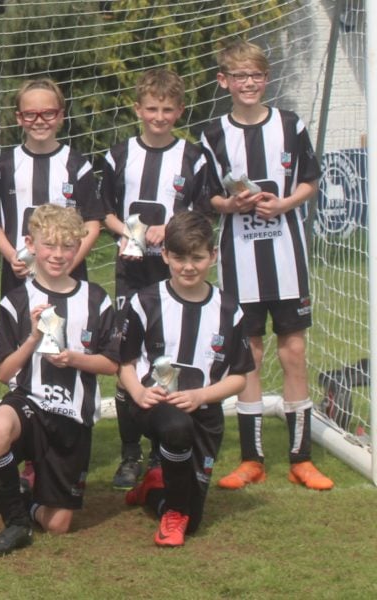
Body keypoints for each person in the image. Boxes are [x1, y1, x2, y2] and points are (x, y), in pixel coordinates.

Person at [200, 40, 331, 491]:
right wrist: (231, 204)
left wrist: (285, 204)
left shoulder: (291, 125)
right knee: (250, 355)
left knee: (293, 352)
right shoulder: (213, 134)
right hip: (240, 263)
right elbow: (207, 197)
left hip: (287, 259)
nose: (249, 83)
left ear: (266, 79)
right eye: (240, 76)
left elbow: (310, 180)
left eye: (255, 75)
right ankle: (251, 459)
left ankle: (302, 458)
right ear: (225, 82)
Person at [100, 69, 216, 490]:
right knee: (127, 358)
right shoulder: (118, 154)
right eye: (152, 108)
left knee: (166, 353)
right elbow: (103, 210)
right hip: (132, 271)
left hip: (174, 271)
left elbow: (204, 212)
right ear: (138, 109)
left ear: (179, 111)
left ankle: (159, 449)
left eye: (168, 109)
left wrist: (168, 229)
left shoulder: (194, 157)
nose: (159, 116)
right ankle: (130, 453)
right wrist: (128, 231)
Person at [0, 205, 118, 556]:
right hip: (29, 401)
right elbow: (3, 373)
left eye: (67, 246)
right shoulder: (15, 301)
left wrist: (74, 359)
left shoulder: (97, 299)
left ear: (79, 247)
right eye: (50, 245)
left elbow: (112, 364)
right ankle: (15, 522)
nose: (58, 255)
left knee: (58, 525)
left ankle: (20, 498)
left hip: (72, 415)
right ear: (31, 244)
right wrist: (32, 339)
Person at [119, 211, 253, 547]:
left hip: (204, 411)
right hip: (155, 405)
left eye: (197, 258)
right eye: (179, 258)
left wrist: (201, 396)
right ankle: (174, 512)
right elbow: (124, 363)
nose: (188, 267)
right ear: (165, 255)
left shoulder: (230, 310)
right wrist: (138, 392)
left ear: (213, 256)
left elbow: (239, 378)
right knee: (177, 428)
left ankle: (155, 487)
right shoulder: (145, 301)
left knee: (194, 521)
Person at [0, 78, 102, 295]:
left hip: (68, 276)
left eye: (48, 113)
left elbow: (92, 223)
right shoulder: (2, 167)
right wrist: (12, 256)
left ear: (60, 116)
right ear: (19, 118)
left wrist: (69, 263)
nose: (39, 121)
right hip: (18, 278)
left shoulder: (77, 165)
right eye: (30, 114)